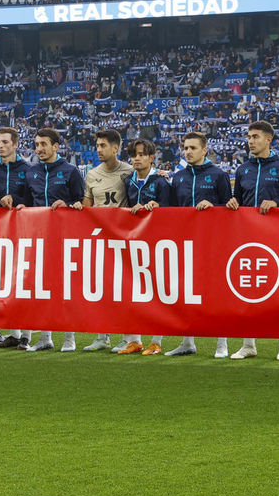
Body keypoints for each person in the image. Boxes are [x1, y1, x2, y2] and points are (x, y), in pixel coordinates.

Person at [225, 121, 279, 361]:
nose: (250, 140)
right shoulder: (242, 170)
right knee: (247, 290)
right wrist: (233, 203)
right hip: (248, 238)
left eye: (255, 136)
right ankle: (249, 344)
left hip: (277, 238)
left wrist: (277, 203)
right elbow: (237, 198)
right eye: (249, 136)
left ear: (268, 139)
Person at [166, 131, 232, 357]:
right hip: (185, 243)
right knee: (185, 293)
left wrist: (214, 206)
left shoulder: (219, 175)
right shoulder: (179, 177)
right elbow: (172, 211)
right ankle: (187, 341)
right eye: (186, 148)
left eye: (193, 148)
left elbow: (231, 209)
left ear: (205, 150)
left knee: (216, 293)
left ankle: (222, 343)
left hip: (213, 243)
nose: (188, 152)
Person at [24, 127, 86, 353]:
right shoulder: (31, 172)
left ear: (56, 146)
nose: (39, 149)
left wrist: (71, 206)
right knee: (42, 289)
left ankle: (69, 338)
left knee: (66, 289)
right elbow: (28, 201)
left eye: (43, 144)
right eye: (37, 144)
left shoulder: (70, 172)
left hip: (66, 240)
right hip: (39, 239)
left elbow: (83, 204)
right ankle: (45, 337)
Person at [118, 138, 173, 355]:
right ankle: (134, 340)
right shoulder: (128, 180)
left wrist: (157, 206)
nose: (137, 158)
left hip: (157, 243)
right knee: (131, 291)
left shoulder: (160, 181)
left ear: (152, 157)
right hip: (133, 243)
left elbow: (171, 209)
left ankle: (156, 341)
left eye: (142, 154)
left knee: (156, 293)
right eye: (134, 155)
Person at [82, 129, 134, 352]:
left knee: (124, 290)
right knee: (101, 289)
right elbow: (87, 205)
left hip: (123, 239)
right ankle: (102, 336)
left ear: (116, 148)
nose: (99, 150)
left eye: (103, 146)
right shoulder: (92, 174)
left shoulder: (130, 171)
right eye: (97, 145)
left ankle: (128, 336)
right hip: (99, 239)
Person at [0, 127, 32, 349]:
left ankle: (27, 335)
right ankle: (14, 333)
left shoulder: (28, 170)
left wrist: (17, 198)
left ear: (15, 144)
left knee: (25, 283)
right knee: (5, 283)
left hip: (25, 234)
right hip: (0, 235)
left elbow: (34, 199)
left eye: (5, 142)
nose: (1, 146)